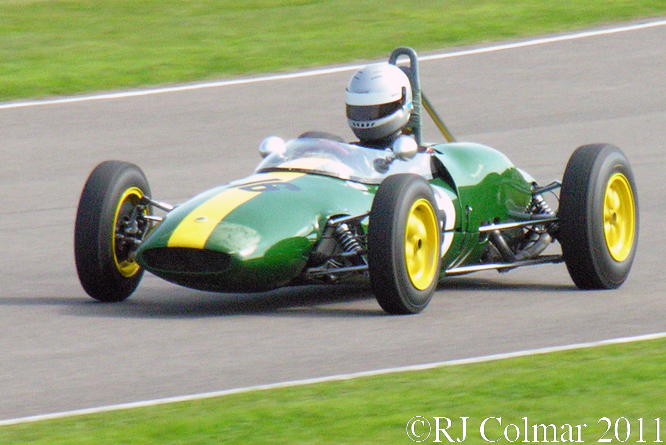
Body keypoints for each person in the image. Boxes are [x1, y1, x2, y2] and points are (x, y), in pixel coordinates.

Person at [345, 63, 414, 149]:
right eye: (359, 110)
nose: (366, 115)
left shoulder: (416, 158)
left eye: (373, 110)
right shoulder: (346, 152)